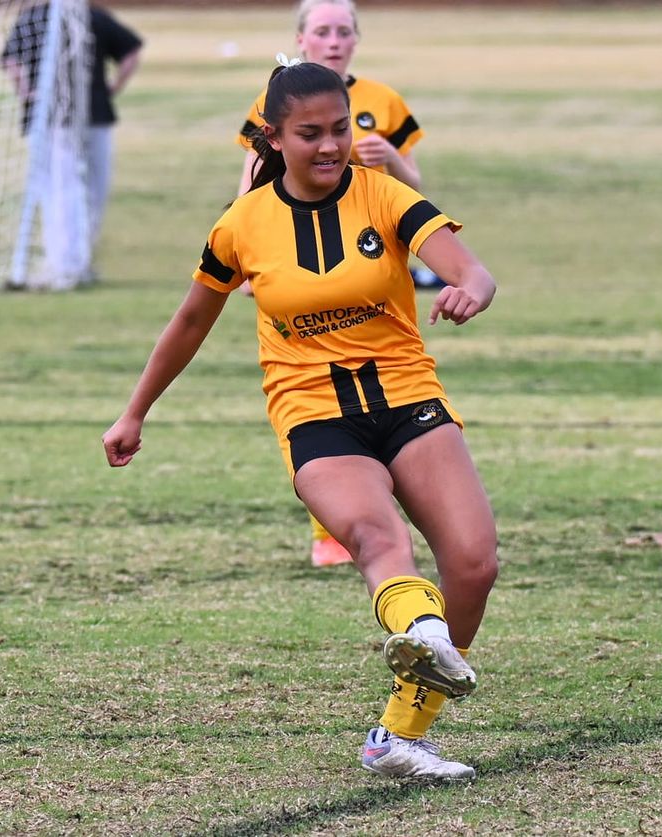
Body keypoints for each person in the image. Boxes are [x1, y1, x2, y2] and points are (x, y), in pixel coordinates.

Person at [102, 61, 499, 781]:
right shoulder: (241, 225)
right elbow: (192, 319)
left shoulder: (386, 196)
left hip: (408, 398)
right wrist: (135, 411)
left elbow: (472, 269)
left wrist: (471, 290)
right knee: (375, 535)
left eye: (341, 129)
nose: (329, 146)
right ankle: (421, 629)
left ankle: (400, 733)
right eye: (309, 134)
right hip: (314, 413)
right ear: (273, 139)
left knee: (474, 563)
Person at [236, 0, 441, 567]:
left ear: (356, 39)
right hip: (302, 263)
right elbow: (252, 184)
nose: (333, 40)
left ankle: (401, 508)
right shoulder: (270, 105)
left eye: (343, 31)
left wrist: (392, 159)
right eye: (322, 31)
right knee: (316, 394)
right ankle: (335, 530)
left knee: (392, 384)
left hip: (374, 261)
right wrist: (248, 256)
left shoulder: (383, 100)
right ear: (300, 37)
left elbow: (416, 186)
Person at [1, 1, 142, 290]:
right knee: (91, 189)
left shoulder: (32, 18)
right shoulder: (93, 16)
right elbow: (131, 54)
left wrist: (27, 92)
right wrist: (114, 86)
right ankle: (76, 260)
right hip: (94, 113)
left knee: (57, 188)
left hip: (52, 119)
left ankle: (64, 262)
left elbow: (12, 63)